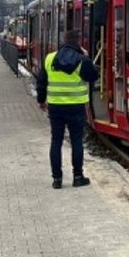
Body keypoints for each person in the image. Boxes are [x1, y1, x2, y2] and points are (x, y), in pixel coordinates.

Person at [35, 29, 99, 189]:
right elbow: (93, 76)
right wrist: (87, 58)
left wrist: (41, 101)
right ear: (78, 42)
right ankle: (78, 177)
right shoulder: (82, 59)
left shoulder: (50, 58)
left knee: (56, 141)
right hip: (77, 107)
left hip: (55, 107)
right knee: (77, 141)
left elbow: (41, 82)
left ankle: (57, 180)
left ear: (63, 41)